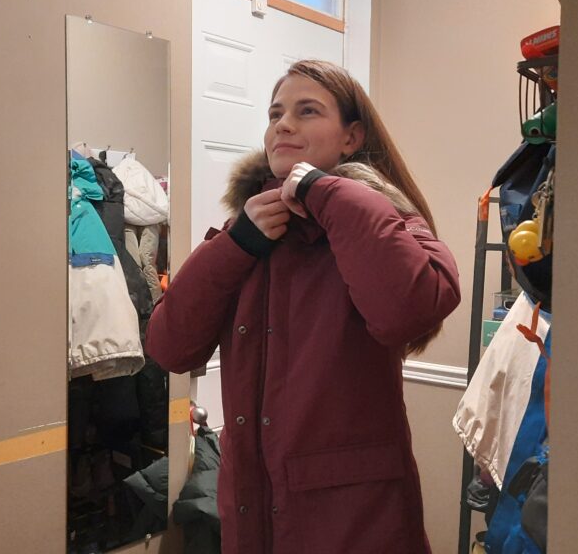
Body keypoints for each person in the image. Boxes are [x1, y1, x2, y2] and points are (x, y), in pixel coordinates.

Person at [146, 60, 460, 553]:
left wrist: (324, 188)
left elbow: (410, 309)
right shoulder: (247, 236)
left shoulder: (387, 219)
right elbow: (169, 347)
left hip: (356, 526)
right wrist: (235, 244)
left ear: (351, 137)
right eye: (275, 114)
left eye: (306, 111)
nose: (282, 125)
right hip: (252, 514)